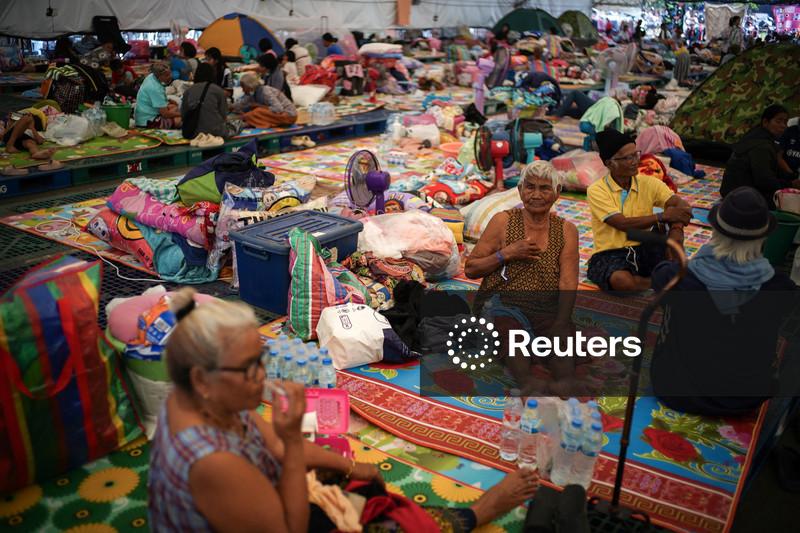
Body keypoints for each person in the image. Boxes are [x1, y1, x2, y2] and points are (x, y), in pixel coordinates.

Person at [148, 289, 540, 531]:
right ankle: (477, 513)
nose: (263, 374)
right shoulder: (212, 461)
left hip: (258, 498)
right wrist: (293, 439)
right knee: (392, 525)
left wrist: (352, 467)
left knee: (360, 485)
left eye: (260, 358)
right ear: (202, 378)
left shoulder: (207, 398)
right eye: (250, 366)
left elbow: (274, 448)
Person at [649, 187, 797, 416]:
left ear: (715, 231)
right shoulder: (779, 286)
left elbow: (659, 275)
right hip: (743, 399)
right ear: (763, 238)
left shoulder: (677, 277)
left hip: (675, 391)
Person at [466, 161, 581, 395]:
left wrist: (561, 323)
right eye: (530, 187)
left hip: (546, 307)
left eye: (545, 188)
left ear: (557, 193)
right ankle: (527, 381)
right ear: (520, 191)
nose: (536, 195)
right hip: (503, 304)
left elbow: (568, 282)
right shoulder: (503, 221)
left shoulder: (566, 230)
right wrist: (506, 254)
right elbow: (471, 268)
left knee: (563, 342)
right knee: (510, 335)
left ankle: (566, 381)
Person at [587, 129, 692, 292]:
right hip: (611, 251)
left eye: (636, 154)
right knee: (622, 282)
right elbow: (621, 224)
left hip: (646, 245)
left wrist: (676, 230)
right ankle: (661, 280)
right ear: (609, 163)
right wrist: (662, 216)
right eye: (627, 158)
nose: (635, 161)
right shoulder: (597, 190)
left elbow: (682, 206)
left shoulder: (648, 183)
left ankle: (658, 277)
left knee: (675, 247)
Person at [721, 105, 799, 209]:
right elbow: (764, 181)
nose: (783, 126)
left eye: (785, 122)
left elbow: (771, 170)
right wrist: (790, 184)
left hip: (732, 190)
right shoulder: (762, 146)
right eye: (778, 121)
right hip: (738, 195)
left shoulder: (759, 135)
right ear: (765, 122)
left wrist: (791, 177)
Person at [181, 63, 230, 139]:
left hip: (193, 132)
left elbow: (184, 114)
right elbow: (223, 114)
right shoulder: (218, 90)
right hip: (216, 132)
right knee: (237, 123)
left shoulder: (189, 91)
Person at [233, 73, 297, 129]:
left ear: (249, 85)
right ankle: (247, 121)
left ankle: (246, 122)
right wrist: (231, 107)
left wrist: (259, 106)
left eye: (243, 87)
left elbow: (279, 109)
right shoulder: (253, 93)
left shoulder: (265, 91)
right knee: (252, 111)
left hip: (288, 115)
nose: (243, 90)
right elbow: (241, 103)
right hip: (279, 115)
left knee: (258, 111)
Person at [134, 62, 182, 128]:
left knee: (174, 107)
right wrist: (183, 114)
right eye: (166, 75)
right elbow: (165, 114)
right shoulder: (156, 89)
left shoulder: (151, 77)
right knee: (181, 120)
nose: (170, 76)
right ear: (159, 76)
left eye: (170, 73)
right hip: (147, 121)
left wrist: (167, 101)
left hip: (143, 116)